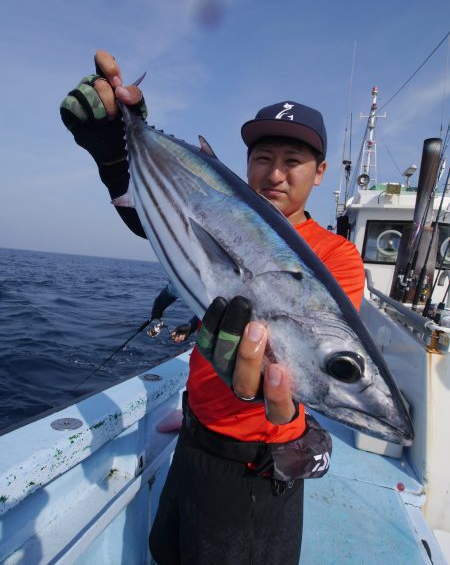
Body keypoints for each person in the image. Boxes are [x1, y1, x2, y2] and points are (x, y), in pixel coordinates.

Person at [60, 50, 365, 564]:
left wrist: (279, 402)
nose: (275, 174)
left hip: (257, 465)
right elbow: (152, 220)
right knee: (165, 552)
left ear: (321, 172)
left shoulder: (337, 256)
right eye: (263, 158)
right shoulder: (222, 213)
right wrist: (113, 154)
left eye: (293, 161)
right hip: (194, 439)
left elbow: (313, 359)